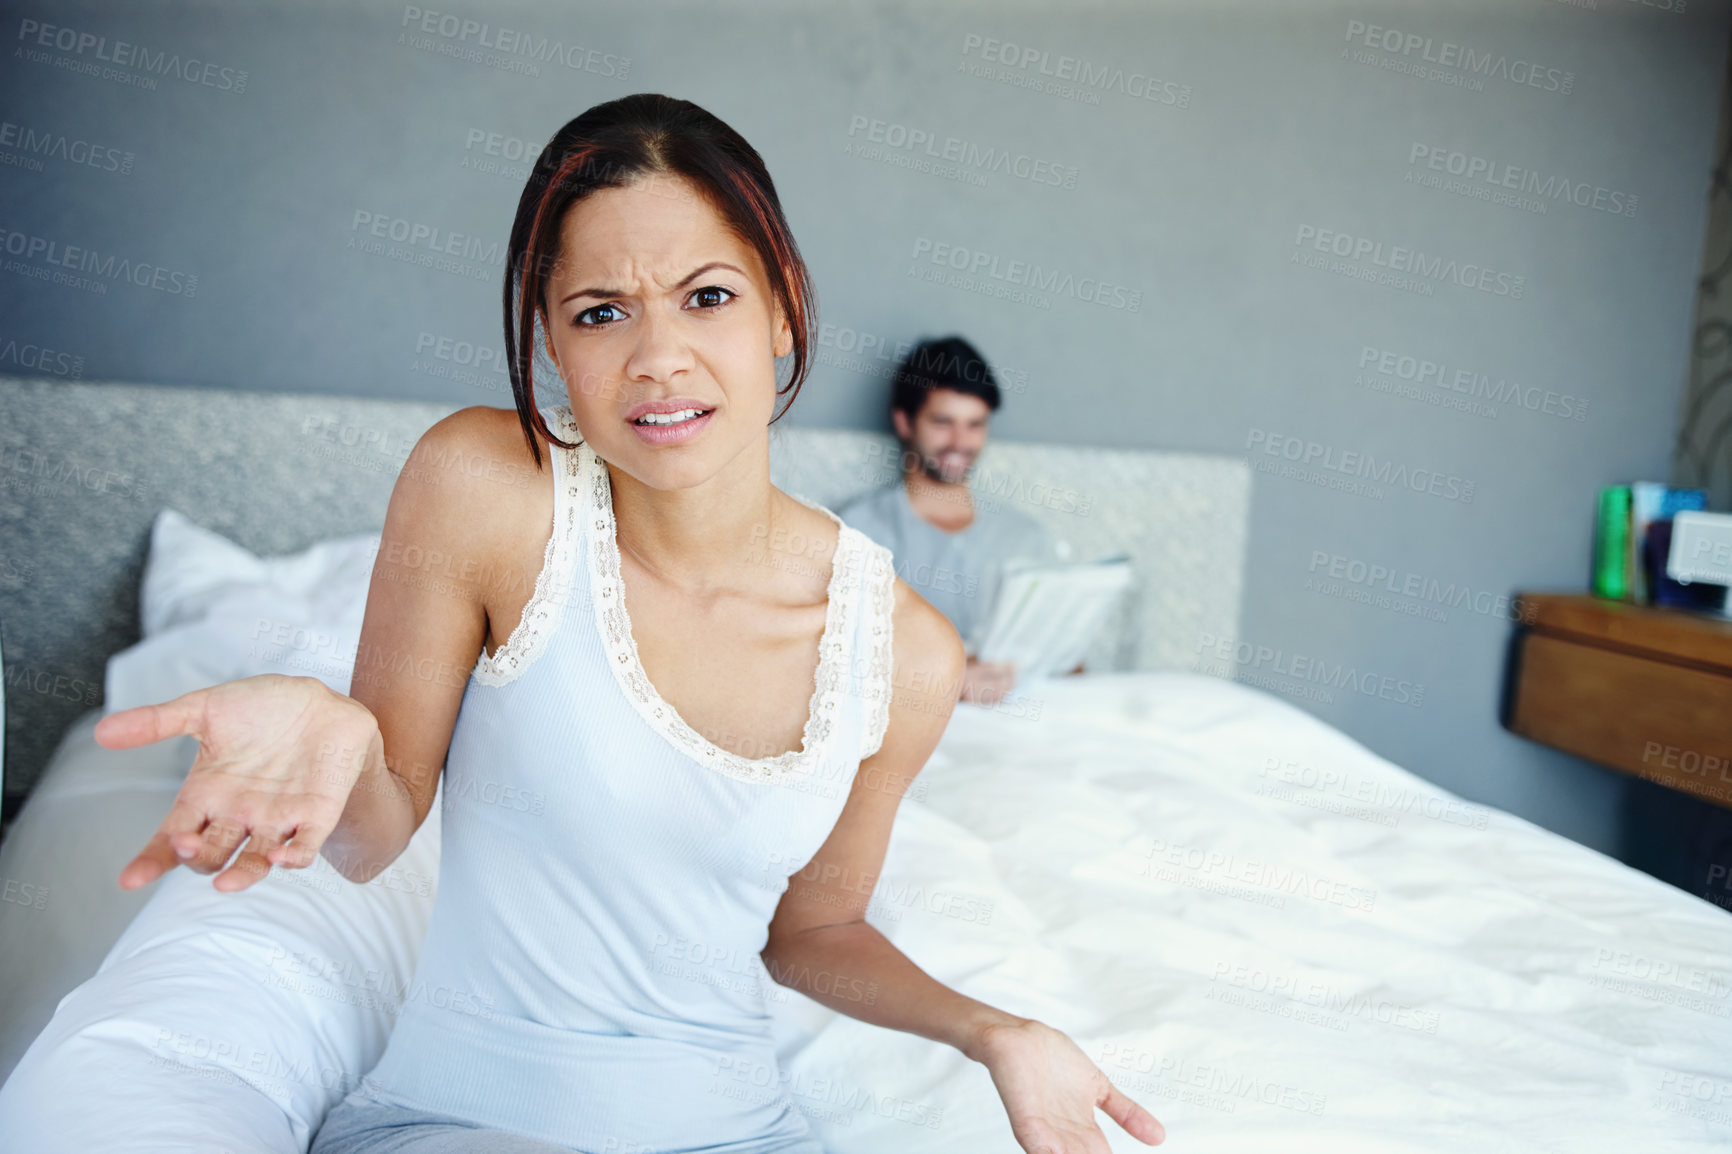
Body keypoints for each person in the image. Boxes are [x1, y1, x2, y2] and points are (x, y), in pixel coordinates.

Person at [94, 95, 1163, 1154]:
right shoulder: (486, 484)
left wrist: (999, 1031)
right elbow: (377, 835)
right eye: (601, 311)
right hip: (466, 1121)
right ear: (551, 339)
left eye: (707, 296)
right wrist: (331, 728)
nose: (658, 356)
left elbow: (813, 933)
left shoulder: (907, 651)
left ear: (784, 308)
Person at [837, 337, 1072, 707]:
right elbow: (833, 659)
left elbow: (1067, 662)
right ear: (904, 422)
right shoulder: (858, 531)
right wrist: (946, 682)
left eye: (975, 424)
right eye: (943, 422)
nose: (960, 442)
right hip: (915, 735)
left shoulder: (1025, 537)